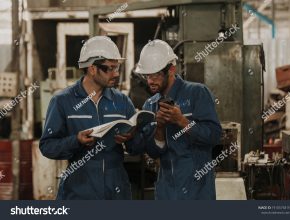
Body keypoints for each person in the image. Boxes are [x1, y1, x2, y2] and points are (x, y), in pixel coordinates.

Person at [40, 36, 140, 200]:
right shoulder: (63, 101)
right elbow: (47, 146)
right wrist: (76, 141)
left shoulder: (122, 101)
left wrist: (131, 137)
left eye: (117, 68)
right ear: (92, 68)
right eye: (110, 68)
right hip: (78, 192)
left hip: (116, 192)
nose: (115, 74)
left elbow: (136, 147)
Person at [134, 39, 222, 200]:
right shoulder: (150, 105)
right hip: (167, 192)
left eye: (156, 75)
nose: (150, 81)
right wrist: (159, 128)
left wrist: (182, 121)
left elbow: (215, 136)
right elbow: (154, 152)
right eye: (147, 75)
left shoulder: (197, 93)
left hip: (197, 192)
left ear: (171, 69)